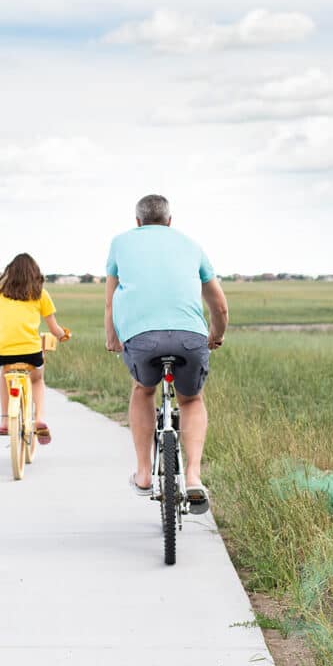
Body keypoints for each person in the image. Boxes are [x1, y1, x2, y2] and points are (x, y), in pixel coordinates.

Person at [104, 195, 228, 513]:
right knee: (191, 400)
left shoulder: (120, 243)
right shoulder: (191, 244)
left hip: (142, 339)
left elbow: (111, 299)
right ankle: (194, 476)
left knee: (143, 390)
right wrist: (216, 335)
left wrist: (112, 338)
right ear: (170, 220)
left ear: (138, 222)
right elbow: (219, 305)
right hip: (190, 338)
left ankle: (144, 474)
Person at [0, 253, 69, 444]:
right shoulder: (40, 294)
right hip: (31, 351)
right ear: (35, 274)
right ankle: (40, 418)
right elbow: (54, 328)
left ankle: (4, 420)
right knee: (37, 379)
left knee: (4, 374)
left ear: (9, 274)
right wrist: (63, 335)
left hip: (5, 351)